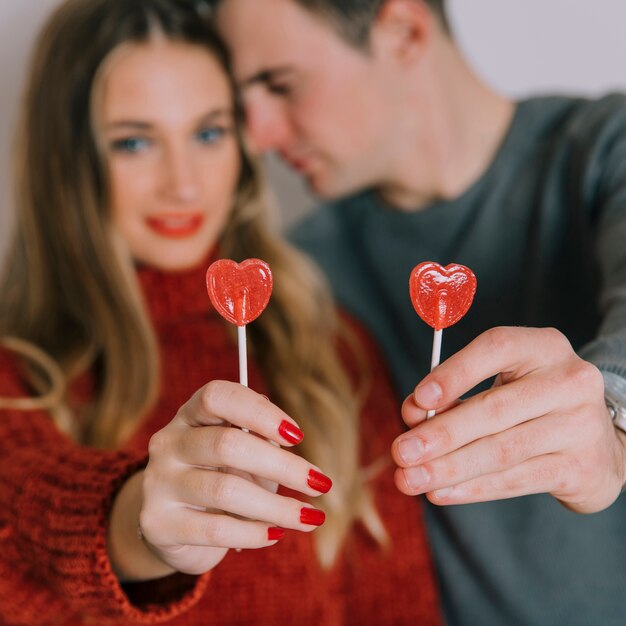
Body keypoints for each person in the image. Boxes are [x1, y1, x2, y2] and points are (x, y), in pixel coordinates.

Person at [0, 1, 443, 624]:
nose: (182, 183)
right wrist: (137, 526)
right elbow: (21, 507)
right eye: (133, 142)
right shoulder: (16, 381)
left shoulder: (329, 354)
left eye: (209, 133)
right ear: (67, 165)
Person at [213, 0, 626, 624]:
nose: (256, 136)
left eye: (279, 84)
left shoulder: (604, 149)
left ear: (404, 32)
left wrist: (613, 422)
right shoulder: (294, 277)